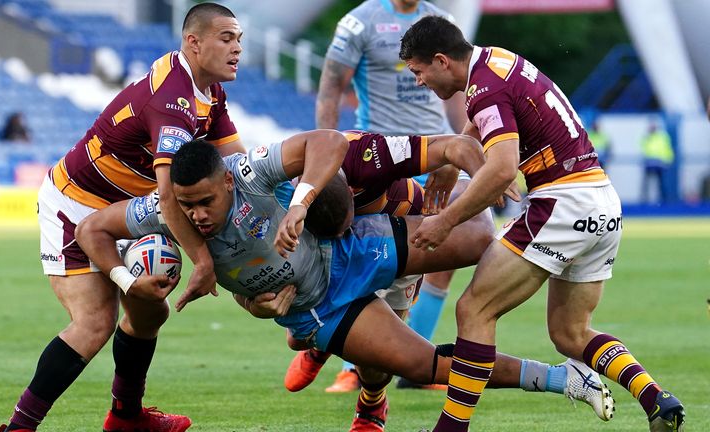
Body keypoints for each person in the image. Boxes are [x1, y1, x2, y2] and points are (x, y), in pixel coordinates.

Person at [76, 131, 615, 431]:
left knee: (477, 237)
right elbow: (91, 228)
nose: (195, 216)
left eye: (206, 202)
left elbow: (327, 142)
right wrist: (127, 279)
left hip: (350, 248)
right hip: (320, 308)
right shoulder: (162, 209)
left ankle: (556, 228)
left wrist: (302, 202)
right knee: (420, 363)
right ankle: (566, 379)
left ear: (224, 181)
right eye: (186, 206)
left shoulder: (246, 172)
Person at [399, 15, 685, 432]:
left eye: (419, 72)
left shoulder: (483, 89)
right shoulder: (495, 59)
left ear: (441, 61)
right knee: (571, 334)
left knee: (473, 308)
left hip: (562, 204)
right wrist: (454, 151)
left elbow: (501, 170)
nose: (420, 82)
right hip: (603, 203)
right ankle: (657, 400)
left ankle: (449, 430)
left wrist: (445, 222)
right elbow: (487, 121)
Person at [0, 3, 245, 431]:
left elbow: (239, 167)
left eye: (239, 39)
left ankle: (126, 417)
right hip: (78, 203)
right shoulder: (172, 101)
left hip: (129, 209)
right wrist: (204, 262)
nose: (237, 48)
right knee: (95, 324)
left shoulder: (210, 92)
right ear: (193, 42)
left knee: (151, 311)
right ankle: (19, 427)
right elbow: (169, 196)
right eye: (226, 38)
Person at [312, 0, 471, 393]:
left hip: (434, 153)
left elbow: (454, 96)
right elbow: (331, 89)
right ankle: (356, 363)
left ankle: (416, 367)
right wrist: (327, 159)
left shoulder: (441, 21)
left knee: (444, 252)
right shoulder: (360, 21)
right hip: (379, 157)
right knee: (374, 256)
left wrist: (463, 149)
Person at [640, 120, 675, 204]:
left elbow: (667, 149)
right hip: (649, 163)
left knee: (661, 183)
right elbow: (644, 149)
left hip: (660, 164)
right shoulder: (647, 137)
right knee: (647, 183)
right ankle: (644, 201)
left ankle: (664, 201)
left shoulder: (662, 137)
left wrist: (668, 161)